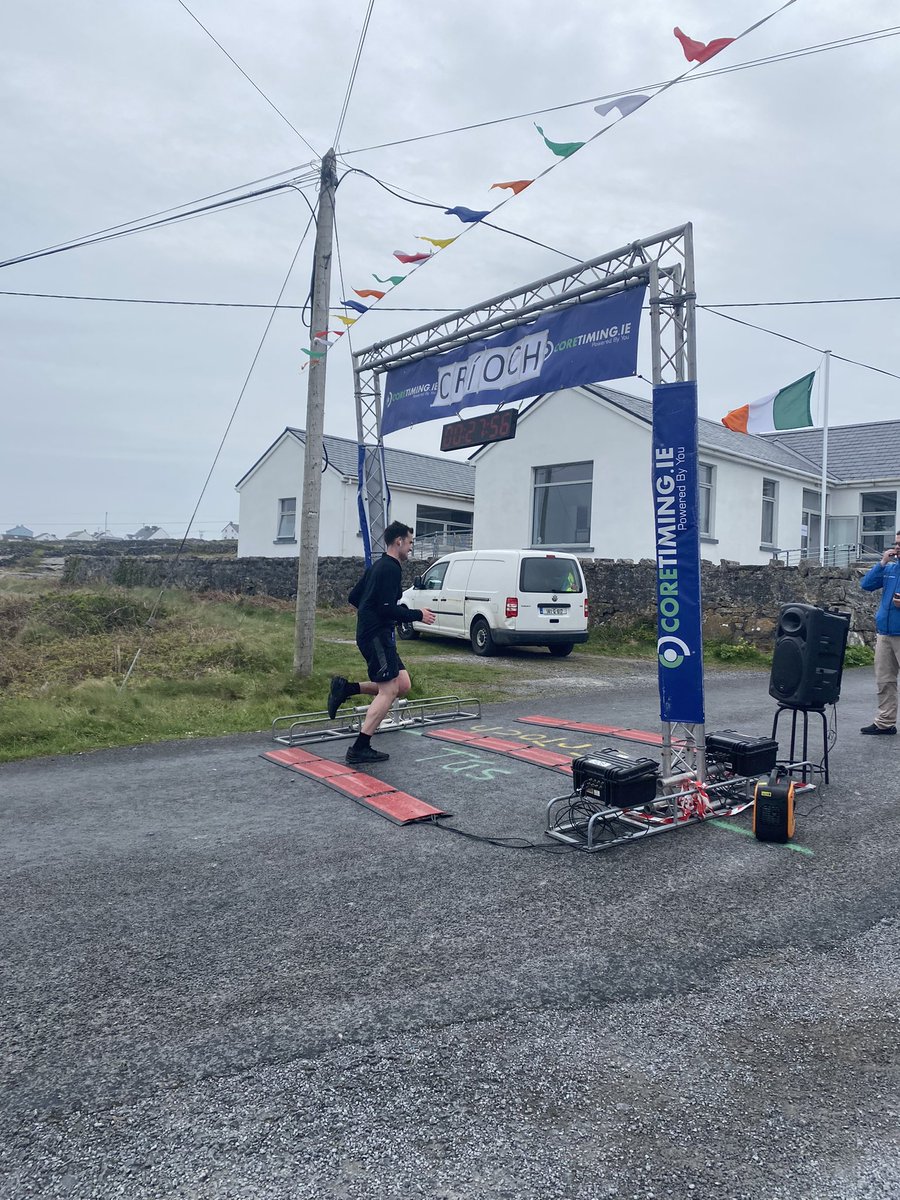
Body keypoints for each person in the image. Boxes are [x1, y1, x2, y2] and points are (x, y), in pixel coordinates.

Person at [327, 521, 436, 764]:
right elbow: (387, 609)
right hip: (377, 636)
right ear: (398, 541)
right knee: (388, 691)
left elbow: (354, 597)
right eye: (409, 543)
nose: (410, 548)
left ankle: (346, 689)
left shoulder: (378, 566)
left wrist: (370, 614)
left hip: (377, 633)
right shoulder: (391, 569)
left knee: (402, 684)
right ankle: (360, 747)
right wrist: (418, 615)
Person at [859, 530, 900, 735]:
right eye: (897, 543)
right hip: (885, 633)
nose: (897, 547)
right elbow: (865, 585)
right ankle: (885, 722)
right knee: (884, 680)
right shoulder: (891, 569)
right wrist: (882, 563)